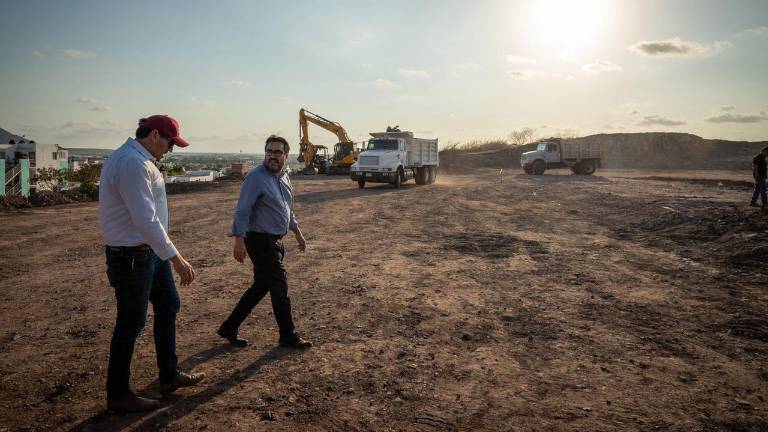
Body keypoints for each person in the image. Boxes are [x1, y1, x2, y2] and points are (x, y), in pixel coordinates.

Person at [99, 115, 205, 412]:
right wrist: (177, 258)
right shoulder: (132, 163)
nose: (171, 149)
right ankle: (118, 395)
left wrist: (163, 254)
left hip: (148, 253)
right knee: (131, 323)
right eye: (171, 143)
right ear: (155, 135)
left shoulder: (139, 159)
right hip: (132, 257)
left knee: (169, 304)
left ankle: (169, 376)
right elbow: (145, 219)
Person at [218, 135, 312, 349]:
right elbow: (242, 211)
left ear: (286, 156)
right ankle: (287, 334)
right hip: (259, 241)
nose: (273, 156)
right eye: (269, 151)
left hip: (276, 241)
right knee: (280, 286)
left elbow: (288, 210)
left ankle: (229, 327)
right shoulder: (255, 177)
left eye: (278, 152)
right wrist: (238, 241)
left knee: (260, 287)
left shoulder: (284, 177)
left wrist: (298, 234)